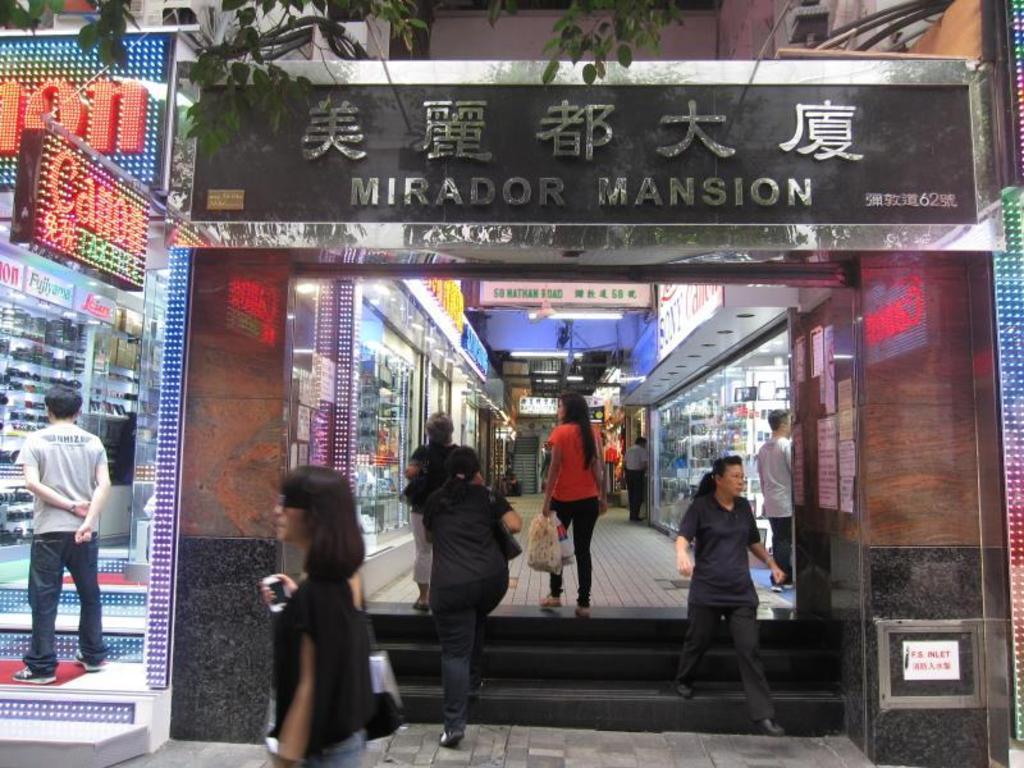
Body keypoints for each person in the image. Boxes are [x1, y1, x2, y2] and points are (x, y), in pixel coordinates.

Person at [263, 466, 373, 768]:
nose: (278, 511)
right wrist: (295, 599)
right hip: (344, 739)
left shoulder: (319, 593)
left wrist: (286, 759)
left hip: (320, 752)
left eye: (287, 503)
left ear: (313, 516)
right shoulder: (345, 578)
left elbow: (309, 687)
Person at [674, 456, 787, 737]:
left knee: (749, 650)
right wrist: (681, 555)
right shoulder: (701, 507)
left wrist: (772, 564)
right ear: (718, 479)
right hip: (707, 590)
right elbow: (683, 537)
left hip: (740, 592)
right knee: (697, 640)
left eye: (742, 476)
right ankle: (684, 679)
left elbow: (753, 541)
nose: (741, 481)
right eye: (735, 476)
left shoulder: (743, 507)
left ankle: (763, 715)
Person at [423, 447, 522, 748]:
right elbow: (515, 524)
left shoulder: (435, 499)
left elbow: (429, 538)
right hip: (491, 581)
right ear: (476, 470)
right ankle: (473, 683)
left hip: (451, 586)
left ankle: (454, 725)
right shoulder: (487, 496)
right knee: (474, 618)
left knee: (455, 653)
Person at [14, 386, 111, 684]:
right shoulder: (93, 441)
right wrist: (88, 520)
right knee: (90, 594)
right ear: (79, 411)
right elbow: (104, 485)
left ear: (47, 409)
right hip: (84, 531)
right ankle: (92, 654)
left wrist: (68, 505)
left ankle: (42, 666)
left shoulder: (36, 440)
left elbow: (32, 483)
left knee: (44, 598)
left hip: (49, 530)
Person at [540, 392, 605, 618]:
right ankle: (583, 603)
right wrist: (603, 497)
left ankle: (555, 595)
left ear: (569, 409)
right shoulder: (592, 432)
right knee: (583, 551)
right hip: (588, 501)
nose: (558, 410)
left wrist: (546, 501)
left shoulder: (560, 432)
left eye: (560, 406)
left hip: (562, 502)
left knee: (557, 547)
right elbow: (598, 468)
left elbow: (554, 468)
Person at [404, 412, 457, 612]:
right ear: (450, 431)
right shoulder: (458, 453)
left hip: (422, 508)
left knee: (423, 552)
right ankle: (446, 595)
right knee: (447, 552)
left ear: (429, 432)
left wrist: (421, 470)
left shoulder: (423, 452)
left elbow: (410, 473)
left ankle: (424, 598)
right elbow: (476, 479)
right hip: (449, 509)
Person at [756, 410, 793, 591]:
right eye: (790, 421)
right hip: (785, 500)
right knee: (784, 540)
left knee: (778, 537)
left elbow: (761, 477)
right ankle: (780, 578)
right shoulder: (785, 445)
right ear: (783, 424)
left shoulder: (764, 448)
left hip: (771, 500)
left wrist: (766, 497)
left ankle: (783, 576)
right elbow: (794, 471)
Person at [624, 436, 649, 522]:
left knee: (631, 494)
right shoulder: (642, 450)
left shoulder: (629, 449)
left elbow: (625, 462)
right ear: (642, 443)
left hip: (629, 473)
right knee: (638, 495)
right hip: (638, 474)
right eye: (645, 444)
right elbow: (644, 464)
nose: (645, 445)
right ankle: (635, 515)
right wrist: (644, 470)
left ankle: (632, 514)